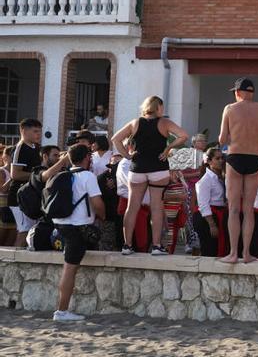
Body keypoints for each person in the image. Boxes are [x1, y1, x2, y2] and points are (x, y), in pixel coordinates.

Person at [112, 96, 189, 256]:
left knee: (132, 207)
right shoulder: (164, 123)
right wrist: (168, 148)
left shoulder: (135, 123)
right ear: (159, 107)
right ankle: (156, 246)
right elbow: (183, 135)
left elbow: (116, 139)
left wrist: (127, 156)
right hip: (158, 168)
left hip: (137, 168)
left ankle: (127, 245)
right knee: (156, 207)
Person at [217, 78, 258, 264]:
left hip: (235, 157)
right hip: (255, 158)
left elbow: (222, 139)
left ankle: (233, 253)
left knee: (233, 209)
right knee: (248, 210)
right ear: (252, 92)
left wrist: (235, 133)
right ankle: (246, 253)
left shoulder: (230, 109)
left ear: (238, 92)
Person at [52, 144, 106, 322]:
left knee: (70, 266)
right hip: (77, 227)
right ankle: (61, 311)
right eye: (90, 157)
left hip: (60, 225)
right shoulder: (87, 176)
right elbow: (97, 203)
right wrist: (104, 216)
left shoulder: (61, 175)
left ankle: (62, 310)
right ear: (86, 158)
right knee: (69, 270)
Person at [9, 118, 44, 247]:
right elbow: (15, 174)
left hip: (31, 196)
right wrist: (38, 176)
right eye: (35, 131)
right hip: (19, 197)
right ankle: (15, 263)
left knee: (31, 230)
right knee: (24, 231)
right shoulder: (20, 147)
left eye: (40, 131)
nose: (38, 135)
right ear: (23, 131)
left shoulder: (36, 147)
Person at [194, 148, 228, 258]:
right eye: (217, 158)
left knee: (218, 248)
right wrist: (212, 225)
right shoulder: (206, 179)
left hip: (220, 214)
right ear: (209, 161)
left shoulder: (221, 177)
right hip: (208, 218)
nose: (221, 161)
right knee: (209, 249)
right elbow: (203, 204)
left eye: (222, 158)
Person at [0, 145, 15, 246]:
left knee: (10, 241)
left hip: (13, 207)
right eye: (12, 155)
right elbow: (3, 189)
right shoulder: (2, 171)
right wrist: (13, 177)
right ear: (5, 157)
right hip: (2, 207)